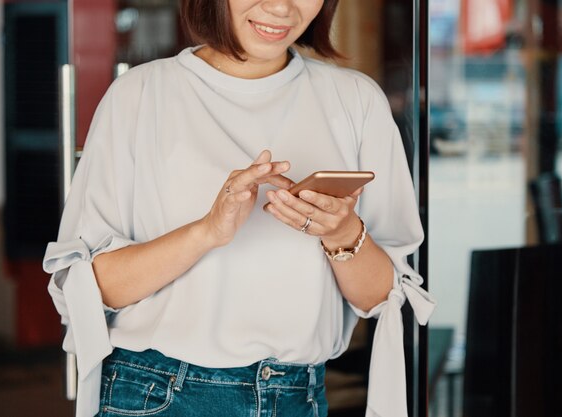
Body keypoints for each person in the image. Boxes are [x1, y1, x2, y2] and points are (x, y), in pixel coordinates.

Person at [43, 0, 435, 416]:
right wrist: (207, 232)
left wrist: (342, 233)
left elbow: (381, 299)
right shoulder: (140, 96)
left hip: (297, 397)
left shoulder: (357, 102)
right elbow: (92, 290)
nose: (282, 7)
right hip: (160, 396)